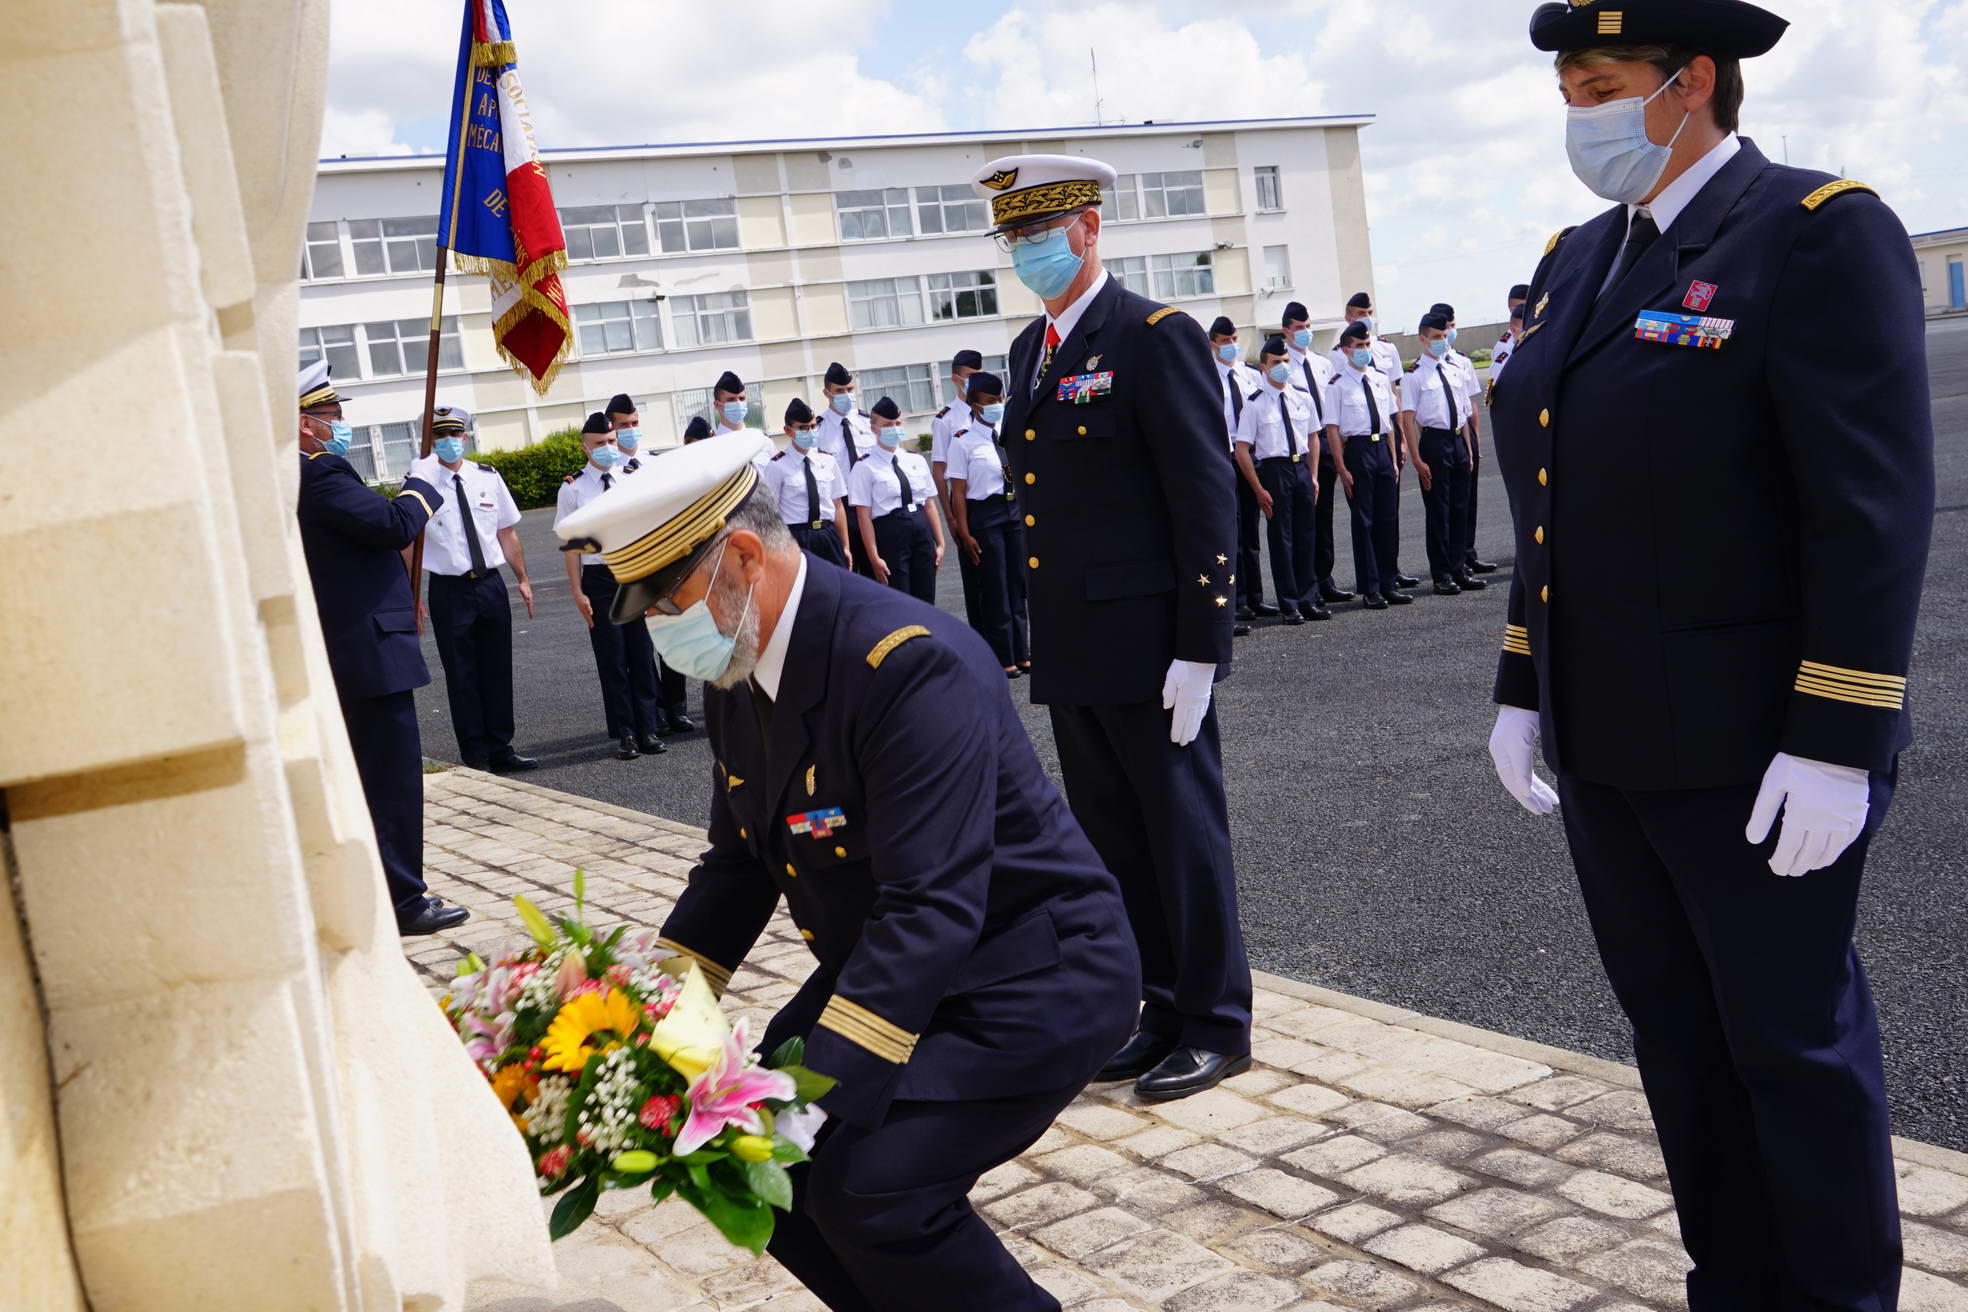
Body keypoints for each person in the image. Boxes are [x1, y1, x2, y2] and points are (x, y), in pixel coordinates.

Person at [1490, 4, 1933, 1307]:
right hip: (1609, 739)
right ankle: (1733, 1285)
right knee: (1678, 1049)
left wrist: (1840, 735)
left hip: (1756, 751)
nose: (1581, 108)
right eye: (1568, 85)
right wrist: (1524, 686)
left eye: (1605, 81)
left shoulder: (1813, 230)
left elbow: (1866, 513)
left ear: (1694, 82)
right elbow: (1555, 492)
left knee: (1790, 1048)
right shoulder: (1580, 258)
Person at [553, 432, 1140, 1312]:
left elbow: (929, 907)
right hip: (893, 971)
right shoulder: (741, 671)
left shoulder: (907, 665)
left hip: (1028, 975)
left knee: (871, 1188)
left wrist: (817, 1098)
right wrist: (634, 1014)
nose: (664, 632)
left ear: (742, 557)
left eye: (670, 599)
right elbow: (737, 868)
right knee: (758, 1174)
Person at [975, 152, 1251, 1100]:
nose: (1026, 250)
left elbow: (1204, 496)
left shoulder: (1155, 335)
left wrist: (1200, 645)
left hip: (1150, 643)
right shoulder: (1027, 351)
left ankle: (1217, 1021)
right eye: (1013, 236)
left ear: (1089, 230)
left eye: (1039, 232)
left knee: (1182, 832)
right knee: (1113, 840)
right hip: (1074, 644)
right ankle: (1160, 1007)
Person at [294, 361, 469, 936]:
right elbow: (394, 525)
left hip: (354, 646)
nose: (337, 426)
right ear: (302, 423)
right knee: (390, 781)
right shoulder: (316, 473)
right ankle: (402, 899)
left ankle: (381, 889)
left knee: (371, 779)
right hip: (366, 651)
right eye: (330, 417)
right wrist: (423, 482)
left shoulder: (302, 472)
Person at [415, 404, 538, 772]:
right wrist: (411, 595)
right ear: (430, 440)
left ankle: (501, 746)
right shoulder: (419, 482)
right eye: (440, 435)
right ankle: (475, 753)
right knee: (462, 673)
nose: (448, 441)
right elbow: (411, 543)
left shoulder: (487, 477)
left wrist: (523, 578)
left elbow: (506, 532)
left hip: (489, 585)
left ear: (465, 437)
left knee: (497, 668)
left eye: (454, 434)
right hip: (448, 590)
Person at [555, 412, 669, 762]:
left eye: (610, 442)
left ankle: (648, 728)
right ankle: (626, 733)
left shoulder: (634, 478)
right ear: (585, 448)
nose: (607, 448)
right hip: (599, 578)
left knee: (641, 652)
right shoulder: (573, 487)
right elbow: (572, 546)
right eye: (599, 444)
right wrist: (578, 592)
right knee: (613, 659)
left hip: (634, 573)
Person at [611, 392, 694, 734]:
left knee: (671, 635)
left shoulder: (657, 463)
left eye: (634, 424)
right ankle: (651, 711)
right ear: (611, 429)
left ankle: (675, 706)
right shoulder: (607, 470)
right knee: (640, 646)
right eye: (623, 425)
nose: (630, 430)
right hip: (628, 567)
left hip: (664, 563)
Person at [1330, 293, 1419, 591]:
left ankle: (1389, 581)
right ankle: (1370, 587)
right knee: (1364, 521)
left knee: (1387, 517)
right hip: (1358, 450)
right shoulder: (1338, 386)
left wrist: (1394, 457)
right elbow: (1333, 431)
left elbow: (1391, 421)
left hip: (1383, 449)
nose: (1364, 350)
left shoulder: (1381, 379)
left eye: (1367, 345)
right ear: (1345, 351)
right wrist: (1341, 468)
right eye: (1358, 346)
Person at [1233, 336, 1324, 625]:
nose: (1283, 366)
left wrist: (1313, 475)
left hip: (1301, 470)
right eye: (1276, 363)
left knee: (1306, 535)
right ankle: (1289, 603)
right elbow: (1242, 449)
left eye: (1286, 362)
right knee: (1282, 538)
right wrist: (1258, 487)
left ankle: (1308, 598)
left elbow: (1313, 436)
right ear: (1264, 367)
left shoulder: (1302, 396)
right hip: (1274, 471)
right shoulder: (1255, 404)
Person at [944, 372, 1031, 677]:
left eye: (999, 400)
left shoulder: (1007, 435)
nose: (997, 406)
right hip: (985, 516)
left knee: (1018, 586)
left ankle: (1023, 652)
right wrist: (964, 532)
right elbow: (958, 493)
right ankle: (1002, 656)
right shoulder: (963, 443)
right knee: (995, 588)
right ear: (976, 406)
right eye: (990, 402)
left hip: (1013, 512)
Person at [1400, 314, 1483, 596]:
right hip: (1434, 444)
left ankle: (1460, 569)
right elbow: (1408, 420)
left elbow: (1463, 411)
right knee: (1439, 511)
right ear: (1423, 339)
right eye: (1435, 337)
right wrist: (1416, 458)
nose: (1441, 341)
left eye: (1443, 335)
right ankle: (1442, 574)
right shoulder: (1414, 376)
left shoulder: (1454, 369)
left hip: (1459, 441)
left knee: (1460, 508)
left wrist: (1470, 450)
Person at [1282, 302, 1348, 608]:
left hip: (1324, 441)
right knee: (1301, 521)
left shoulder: (1323, 364)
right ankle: (1303, 584)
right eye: (1298, 328)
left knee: (1324, 516)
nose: (1305, 332)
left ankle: (1325, 579)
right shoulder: (1282, 366)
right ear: (1286, 331)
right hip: (1299, 447)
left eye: (1307, 326)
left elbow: (1335, 406)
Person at [847, 397, 943, 603]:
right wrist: (873, 558)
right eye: (887, 425)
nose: (894, 428)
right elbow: (863, 517)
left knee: (926, 598)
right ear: (874, 429)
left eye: (897, 423)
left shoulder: (915, 459)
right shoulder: (864, 467)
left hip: (921, 530)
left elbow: (929, 504)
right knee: (900, 598)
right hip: (891, 533)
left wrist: (941, 543)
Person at [1426, 303, 1494, 580]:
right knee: (1443, 506)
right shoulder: (1421, 371)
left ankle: (1467, 554)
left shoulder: (1462, 362)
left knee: (1466, 502)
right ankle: (1451, 565)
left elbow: (1471, 405)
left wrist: (1474, 440)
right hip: (1439, 441)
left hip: (1464, 436)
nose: (1448, 334)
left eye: (1450, 328)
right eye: (1442, 330)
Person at [1209, 316, 1267, 627]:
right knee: (1232, 532)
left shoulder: (1251, 376)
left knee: (1252, 533)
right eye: (1225, 342)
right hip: (1224, 457)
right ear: (1213, 345)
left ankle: (1256, 597)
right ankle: (1238, 598)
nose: (1231, 346)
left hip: (1251, 457)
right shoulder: (1207, 378)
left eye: (1234, 340)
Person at [931, 349, 986, 619]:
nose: (975, 381)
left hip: (996, 500)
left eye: (980, 375)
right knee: (976, 579)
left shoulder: (991, 410)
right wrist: (950, 517)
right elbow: (939, 471)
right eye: (970, 376)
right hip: (965, 502)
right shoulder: (946, 420)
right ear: (956, 379)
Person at [765, 397, 852, 568]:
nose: (810, 431)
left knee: (835, 590)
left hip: (828, 534)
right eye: (803, 428)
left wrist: (845, 546)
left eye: (813, 426)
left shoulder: (827, 461)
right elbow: (769, 514)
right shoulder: (777, 466)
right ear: (788, 431)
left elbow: (838, 506)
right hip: (797, 537)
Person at [817, 361, 873, 472]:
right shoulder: (817, 430)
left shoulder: (868, 422)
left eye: (849, 389)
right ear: (826, 393)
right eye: (839, 390)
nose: (846, 394)